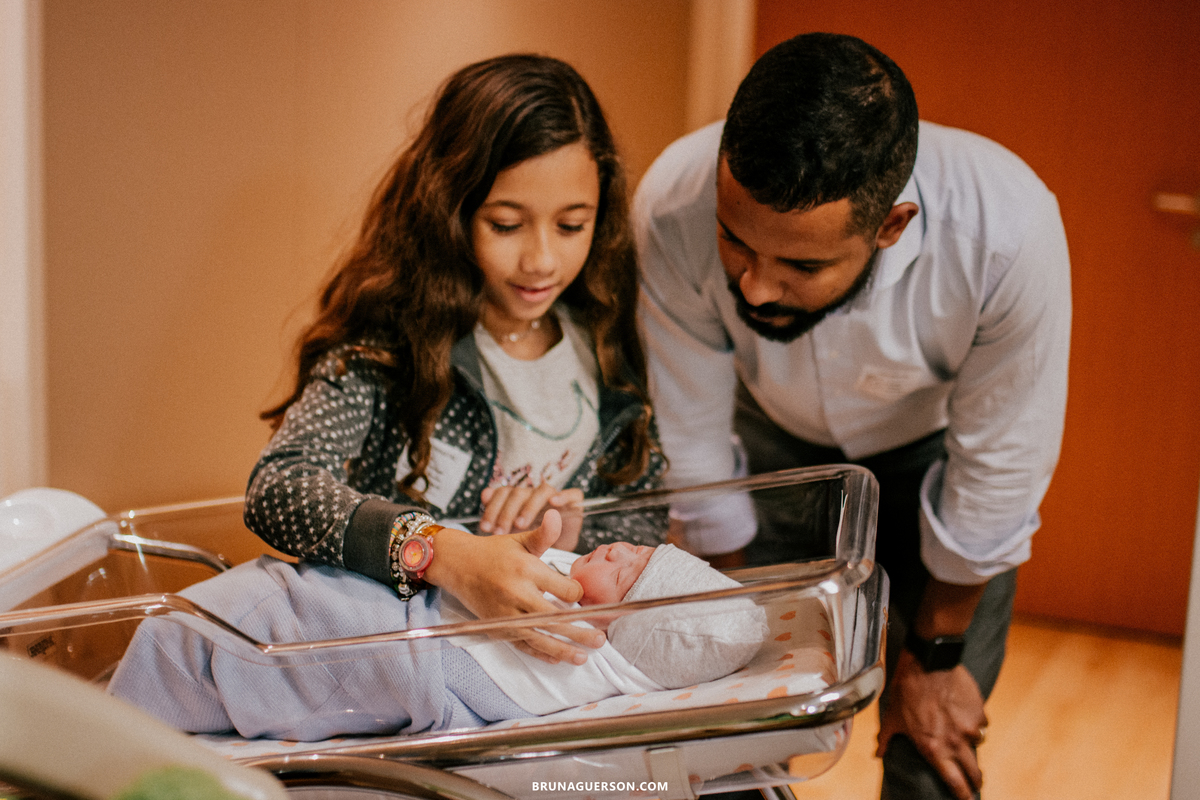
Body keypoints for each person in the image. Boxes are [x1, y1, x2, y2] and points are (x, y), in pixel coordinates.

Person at [634, 33, 1070, 800]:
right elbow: (694, 436)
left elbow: (1001, 466)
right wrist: (728, 642)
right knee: (730, 747)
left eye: (802, 265)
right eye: (734, 241)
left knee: (930, 751)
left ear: (891, 226)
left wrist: (934, 660)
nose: (755, 288)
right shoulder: (673, 200)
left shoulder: (1006, 232)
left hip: (934, 466)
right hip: (762, 448)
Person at [242, 54, 667, 668]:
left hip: (523, 673)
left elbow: (643, 517)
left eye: (572, 225)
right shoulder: (393, 339)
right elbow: (280, 487)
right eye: (506, 224)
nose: (542, 260)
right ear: (450, 211)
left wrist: (571, 546)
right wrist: (442, 552)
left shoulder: (603, 337)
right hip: (392, 655)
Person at [106, 537, 768, 741]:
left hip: (370, 646)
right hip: (365, 607)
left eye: (626, 572)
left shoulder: (566, 648)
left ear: (605, 628)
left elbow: (436, 663)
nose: (619, 548)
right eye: (638, 549)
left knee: (203, 641)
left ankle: (126, 719)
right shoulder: (564, 589)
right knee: (223, 620)